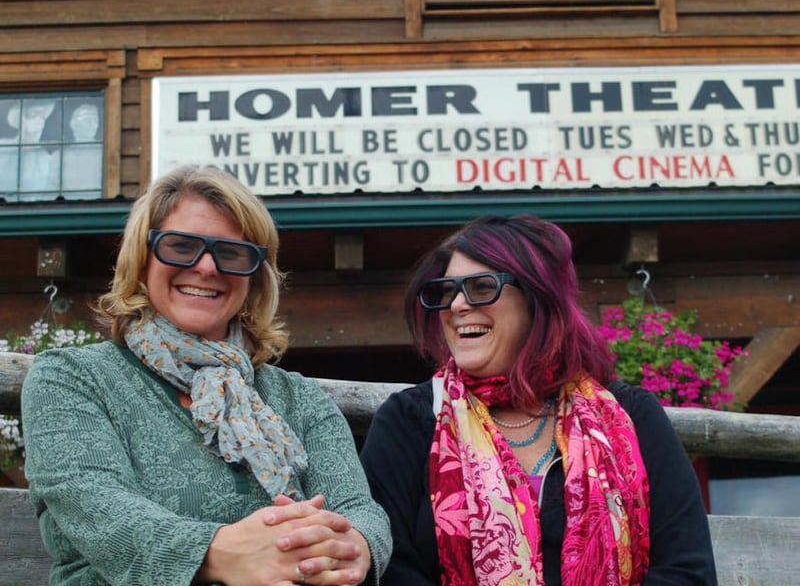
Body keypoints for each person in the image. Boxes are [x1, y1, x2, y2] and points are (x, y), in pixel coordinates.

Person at [22, 165, 391, 585]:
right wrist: (224, 553)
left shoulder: (300, 398)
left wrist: (354, 544)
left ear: (254, 278)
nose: (207, 267)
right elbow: (98, 509)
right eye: (181, 246)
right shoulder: (73, 379)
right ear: (142, 260)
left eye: (232, 253)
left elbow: (360, 510)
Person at [360, 214, 717, 585]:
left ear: (538, 298)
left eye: (482, 287)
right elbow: (385, 568)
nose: (456, 306)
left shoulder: (633, 417)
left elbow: (687, 570)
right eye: (446, 291)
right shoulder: (408, 422)